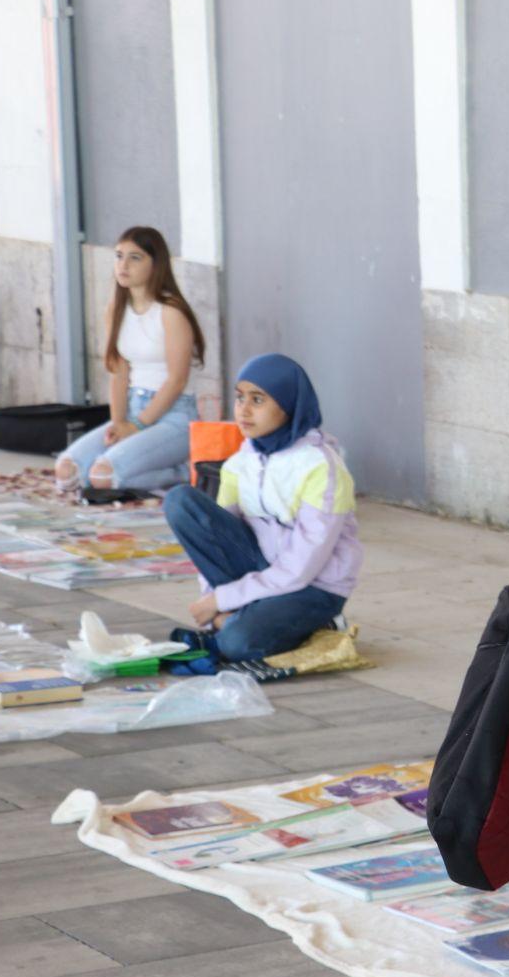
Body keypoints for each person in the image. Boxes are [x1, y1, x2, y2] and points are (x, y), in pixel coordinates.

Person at [162, 354, 361, 662]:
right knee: (180, 501)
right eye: (240, 398)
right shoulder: (241, 461)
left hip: (314, 587)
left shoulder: (321, 467)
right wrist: (212, 598)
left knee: (235, 644)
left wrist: (223, 600)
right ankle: (247, 614)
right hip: (261, 569)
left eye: (258, 400)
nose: (244, 409)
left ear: (288, 404)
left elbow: (300, 569)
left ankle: (319, 621)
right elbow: (214, 543)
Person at [56, 226, 204, 492]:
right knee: (68, 473)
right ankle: (143, 469)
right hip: (134, 410)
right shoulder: (115, 309)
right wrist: (119, 422)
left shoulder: (171, 312)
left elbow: (177, 380)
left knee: (102, 478)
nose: (123, 265)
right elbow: (118, 372)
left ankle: (181, 473)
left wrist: (136, 426)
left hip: (174, 417)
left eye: (135, 258)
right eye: (119, 256)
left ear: (155, 264)